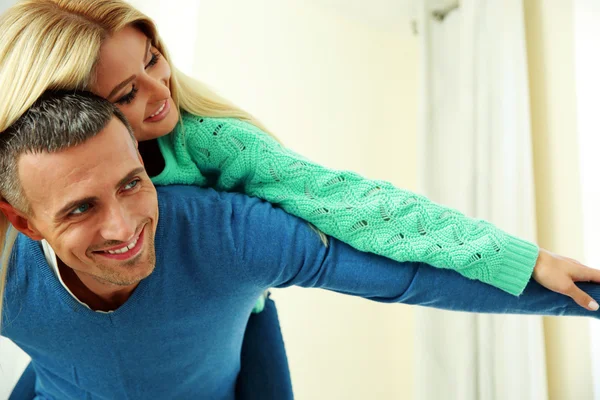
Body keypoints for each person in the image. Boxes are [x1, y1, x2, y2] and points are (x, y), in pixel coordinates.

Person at [1, 0, 599, 396]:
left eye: (156, 60)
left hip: (242, 314)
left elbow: (358, 210)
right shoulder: (19, 256)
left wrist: (524, 261)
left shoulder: (221, 181)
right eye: (127, 93)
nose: (161, 92)